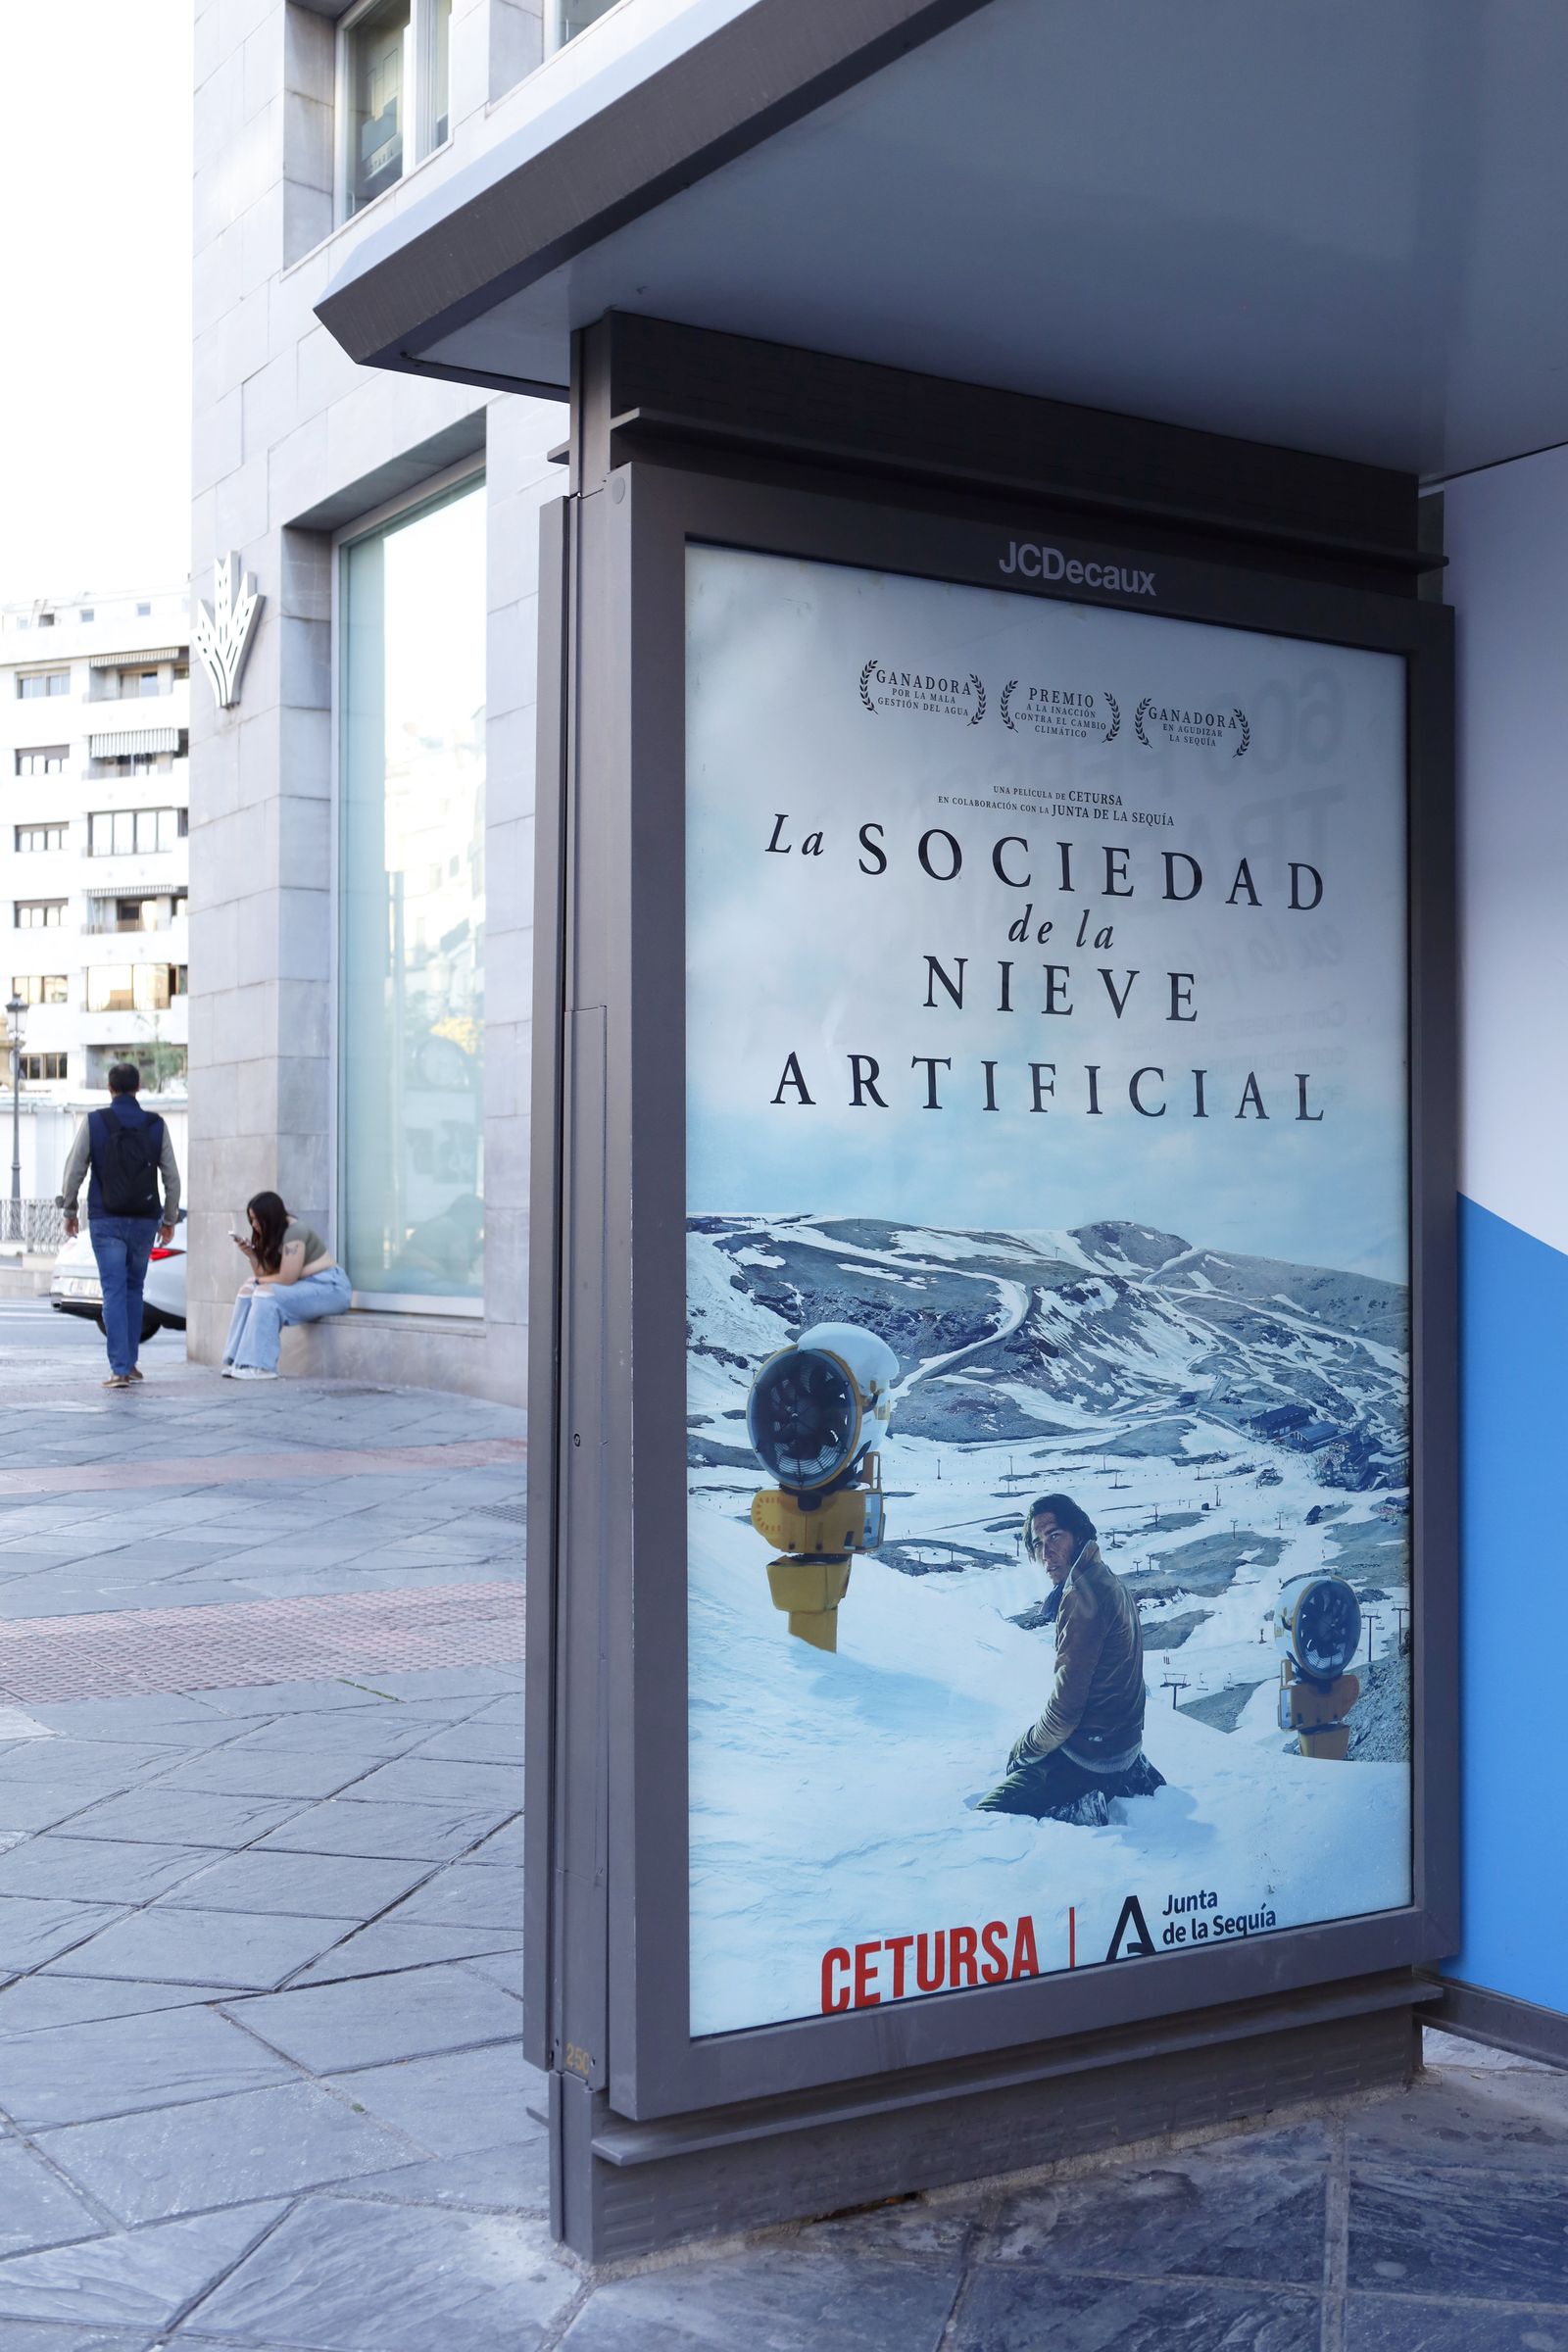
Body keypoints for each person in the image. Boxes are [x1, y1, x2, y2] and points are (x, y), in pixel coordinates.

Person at [976, 1491, 1166, 1825]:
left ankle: (1080, 1805)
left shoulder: (1081, 1595)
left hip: (1092, 1757)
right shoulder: (1104, 1577)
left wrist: (1023, 1749)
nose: (1046, 1552)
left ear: (1078, 1534)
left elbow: (1064, 1713)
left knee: (989, 1814)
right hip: (1124, 1744)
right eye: (1037, 1543)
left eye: (1054, 1537)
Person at [58, 1061, 181, 1391]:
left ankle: (120, 1370)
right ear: (138, 1088)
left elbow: (74, 1170)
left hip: (106, 1218)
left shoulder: (95, 1122)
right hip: (144, 1220)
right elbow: (171, 1175)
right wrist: (169, 1219)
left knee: (112, 1290)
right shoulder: (156, 1125)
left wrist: (69, 1210)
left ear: (110, 1088)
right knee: (133, 1289)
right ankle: (131, 1363)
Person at [222, 1190, 351, 1381]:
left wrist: (259, 1281)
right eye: (252, 1220)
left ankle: (260, 1366)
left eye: (258, 1219)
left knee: (264, 1292)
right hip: (307, 1285)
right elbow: (266, 1275)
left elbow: (286, 1278)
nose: (255, 1225)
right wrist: (251, 1255)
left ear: (271, 1217)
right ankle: (236, 1360)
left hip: (330, 1287)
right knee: (248, 1290)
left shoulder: (295, 1232)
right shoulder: (275, 1234)